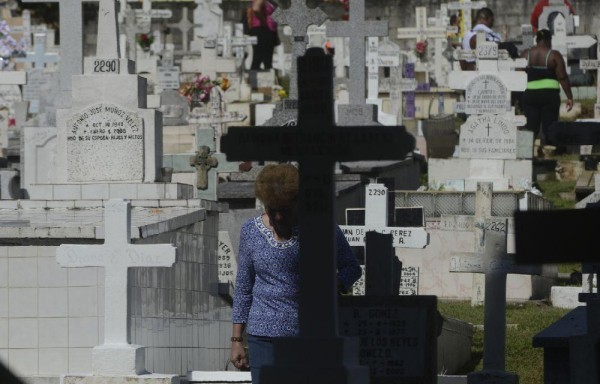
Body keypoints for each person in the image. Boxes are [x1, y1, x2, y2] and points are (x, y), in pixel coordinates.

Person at [230, 164, 362, 384]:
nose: (279, 217)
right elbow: (244, 287)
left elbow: (351, 267)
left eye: (286, 210)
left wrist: (332, 286)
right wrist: (236, 340)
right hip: (262, 339)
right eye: (273, 210)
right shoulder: (250, 231)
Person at [520, 29, 573, 154]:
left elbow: (518, 75)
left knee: (531, 125)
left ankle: (526, 151)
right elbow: (562, 77)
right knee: (549, 125)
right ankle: (550, 150)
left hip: (530, 95)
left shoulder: (525, 54)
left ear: (536, 40)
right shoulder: (554, 55)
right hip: (549, 96)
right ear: (549, 40)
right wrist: (569, 97)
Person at [245, 0, 279, 70]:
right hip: (262, 30)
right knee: (259, 57)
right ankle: (254, 77)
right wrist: (263, 20)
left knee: (266, 58)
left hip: (268, 30)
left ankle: (267, 75)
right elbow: (256, 9)